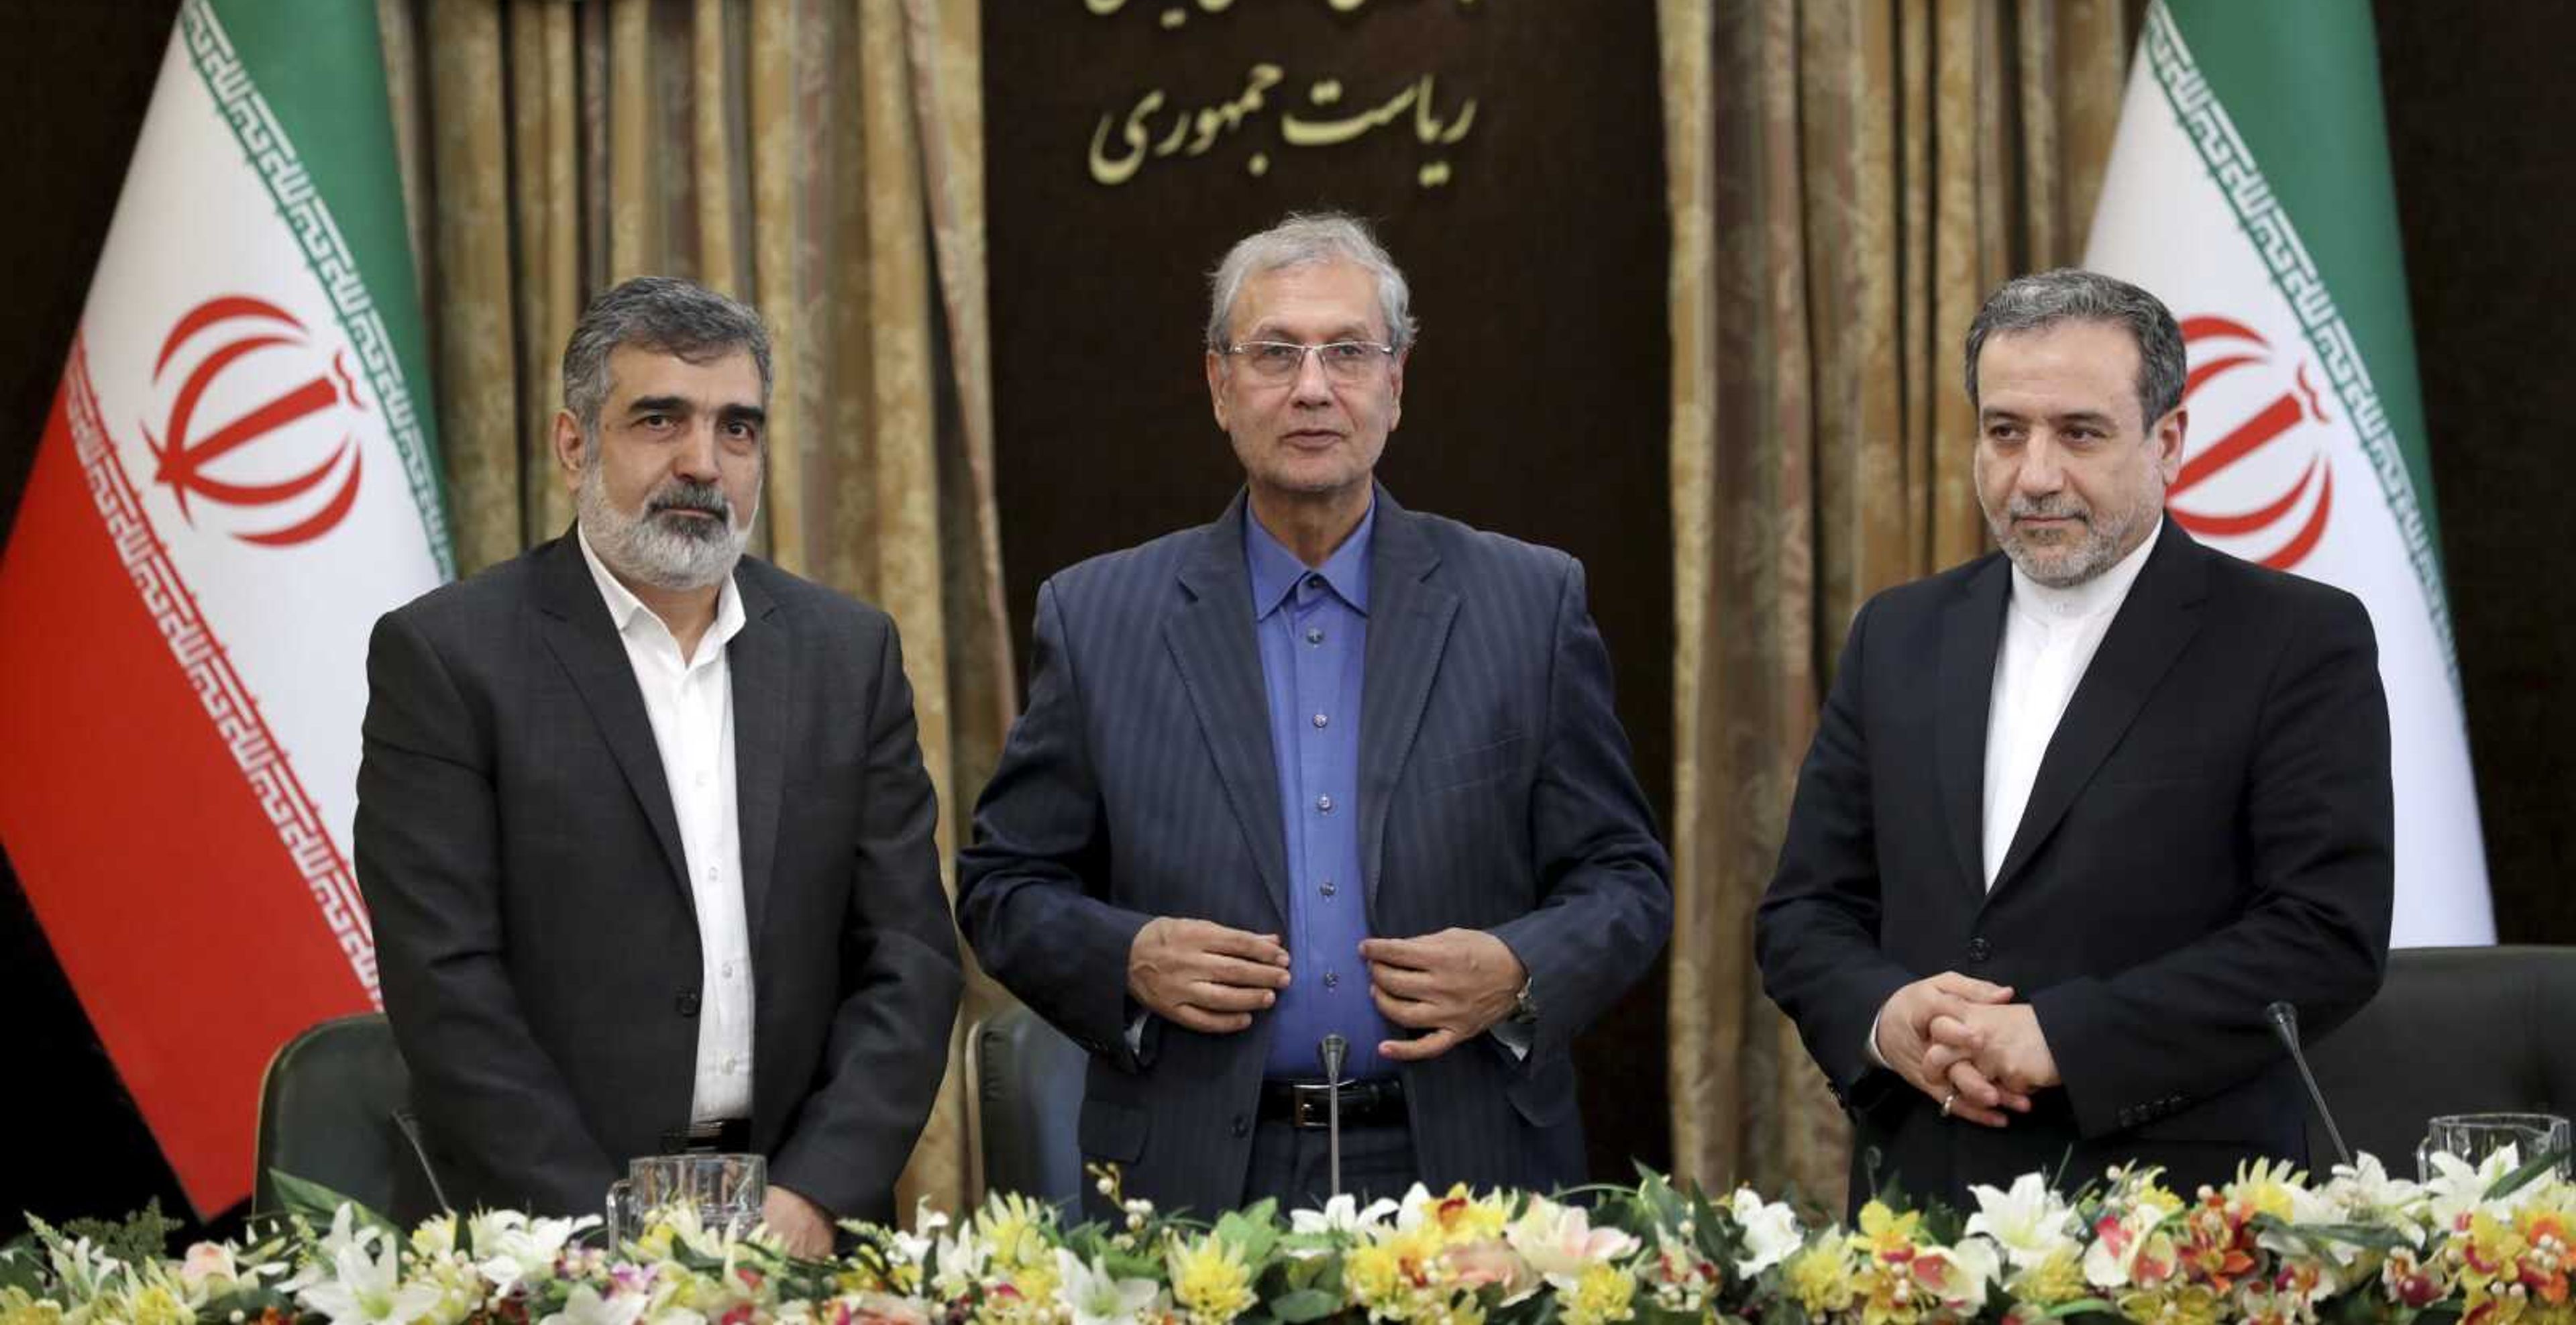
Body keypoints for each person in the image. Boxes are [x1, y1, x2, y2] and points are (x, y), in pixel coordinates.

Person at [956, 211, 1671, 1219]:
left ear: (1396, 383)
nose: (1311, 386)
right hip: (1195, 1180)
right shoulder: (1100, 616)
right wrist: (1128, 958)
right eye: (1274, 353)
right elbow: (1003, 887)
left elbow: (1626, 880)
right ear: (1218, 384)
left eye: (1347, 351)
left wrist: (1519, 970)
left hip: (1470, 1169)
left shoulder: (1528, 604)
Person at [1757, 268, 2394, 1211]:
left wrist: (2064, 1036)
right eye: (2005, 431)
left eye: (2081, 433)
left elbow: (2324, 934)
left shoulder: (2294, 639)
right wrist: (1887, 1017)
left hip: (2177, 1220)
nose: (2036, 474)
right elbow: (1805, 912)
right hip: (1921, 1218)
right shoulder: (1897, 634)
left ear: (2167, 441)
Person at [356, 276, 961, 1247]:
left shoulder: (847, 654)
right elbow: (446, 983)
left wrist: (815, 1194)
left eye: (737, 428)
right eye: (659, 419)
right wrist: (605, 1230)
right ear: (573, 445)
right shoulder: (450, 657)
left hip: (796, 1224)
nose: (702, 463)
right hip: (546, 1237)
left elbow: (910, 957)